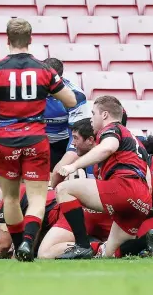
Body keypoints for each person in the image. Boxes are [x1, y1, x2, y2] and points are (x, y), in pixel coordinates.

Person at [0, 18, 77, 261]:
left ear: (7, 40)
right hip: (35, 138)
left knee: (11, 198)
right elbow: (71, 101)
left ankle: (17, 245)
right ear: (31, 39)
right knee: (36, 197)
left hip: (5, 140)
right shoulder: (45, 69)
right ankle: (27, 243)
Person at [56, 95, 152, 259]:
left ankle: (82, 245)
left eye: (93, 114)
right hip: (141, 198)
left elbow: (108, 148)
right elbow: (147, 177)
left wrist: (74, 166)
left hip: (124, 188)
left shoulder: (112, 129)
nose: (91, 119)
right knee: (108, 253)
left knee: (63, 189)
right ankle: (146, 242)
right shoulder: (136, 142)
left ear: (105, 115)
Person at [37, 119, 113, 259]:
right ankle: (99, 247)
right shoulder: (88, 157)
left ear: (90, 140)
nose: (72, 143)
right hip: (92, 214)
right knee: (44, 253)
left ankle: (96, 246)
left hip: (109, 214)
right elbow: (57, 174)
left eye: (76, 138)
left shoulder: (112, 156)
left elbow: (57, 175)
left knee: (64, 189)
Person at [0, 179, 59, 259]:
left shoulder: (9, 199)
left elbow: (3, 244)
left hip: (60, 216)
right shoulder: (27, 189)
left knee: (44, 253)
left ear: (1, 186)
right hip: (63, 213)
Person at [42, 58, 91, 173]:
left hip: (64, 142)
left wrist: (61, 167)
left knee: (61, 173)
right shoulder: (27, 91)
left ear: (59, 79)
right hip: (37, 140)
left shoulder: (76, 96)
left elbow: (78, 135)